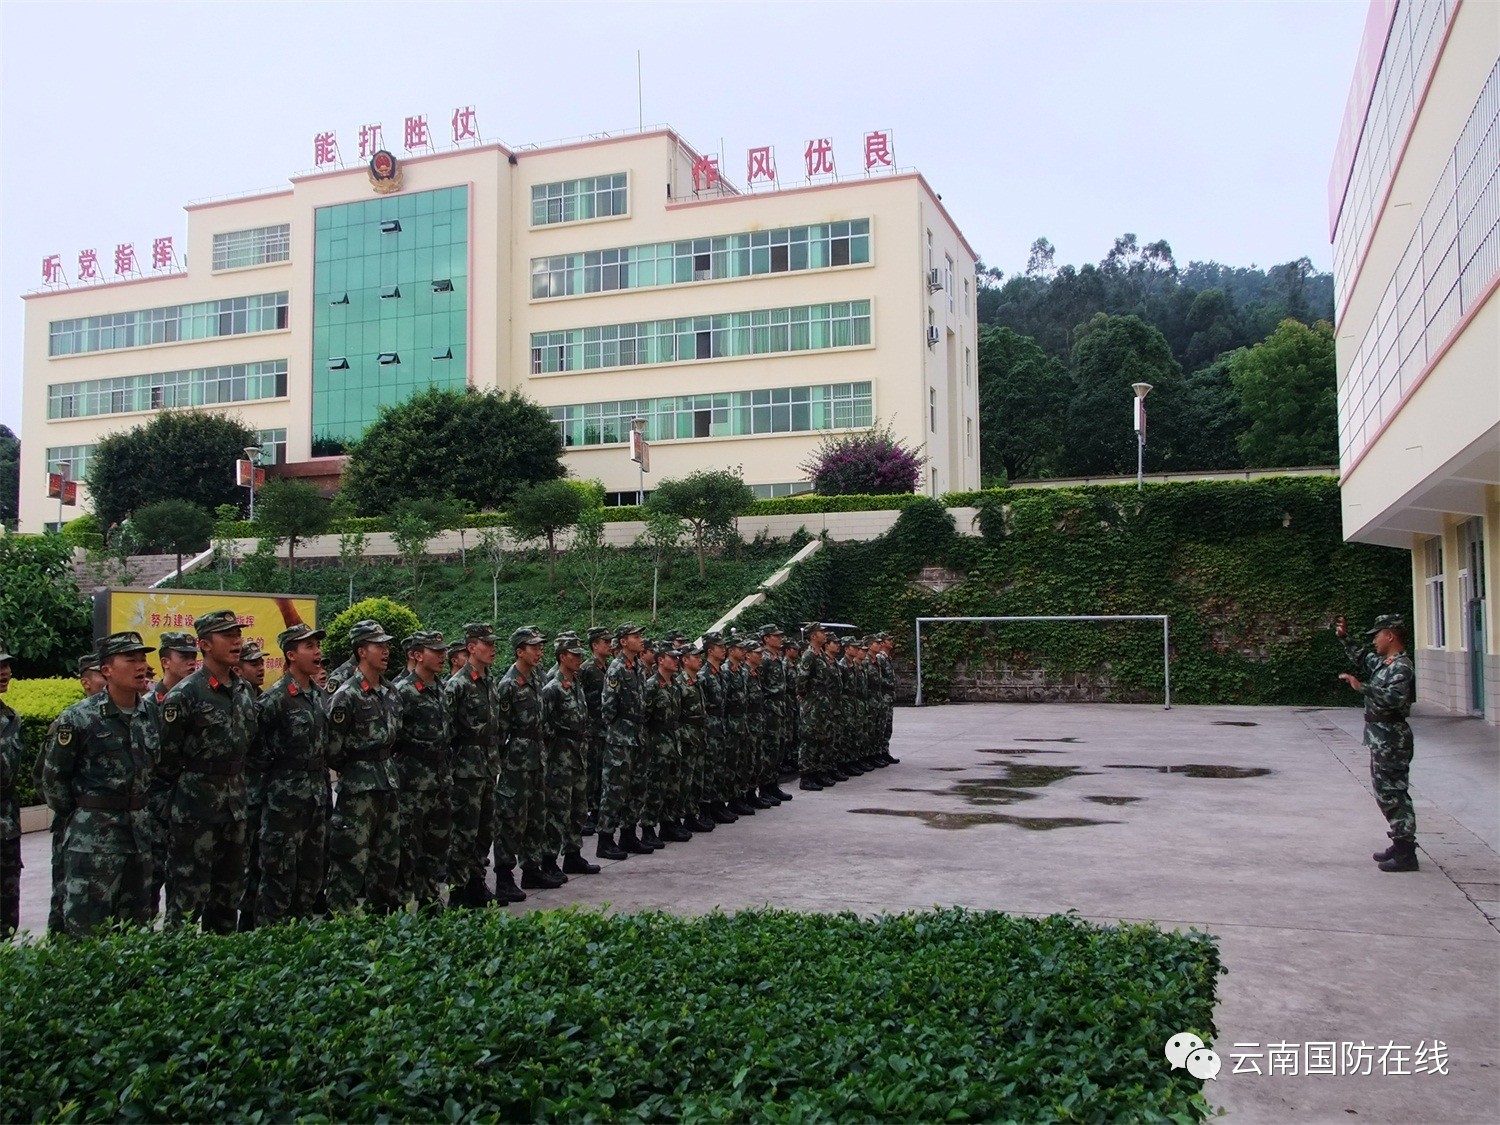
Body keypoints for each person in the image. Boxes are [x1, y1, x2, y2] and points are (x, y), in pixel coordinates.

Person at [40, 632, 158, 937]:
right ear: (106, 670)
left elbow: (157, 771)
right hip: (93, 842)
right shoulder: (78, 719)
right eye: (130, 660)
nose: (140, 666)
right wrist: (85, 818)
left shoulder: (151, 714)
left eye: (142, 659)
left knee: (136, 930)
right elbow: (54, 780)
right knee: (87, 930)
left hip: (139, 839)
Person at [156, 610, 258, 933]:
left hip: (235, 807)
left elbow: (249, 746)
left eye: (237, 635)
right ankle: (178, 970)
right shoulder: (184, 695)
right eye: (227, 636)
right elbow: (165, 761)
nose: (236, 641)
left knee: (228, 897)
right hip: (195, 812)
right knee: (187, 900)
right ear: (204, 644)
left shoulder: (243, 691)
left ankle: (222, 968)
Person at [250, 623, 330, 925]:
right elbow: (254, 751)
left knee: (310, 874)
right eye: (309, 647)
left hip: (315, 798)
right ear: (291, 655)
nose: (317, 652)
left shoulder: (319, 696)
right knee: (278, 877)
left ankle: (301, 940)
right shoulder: (274, 700)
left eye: (317, 646)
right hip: (283, 802)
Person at [325, 620, 403, 913]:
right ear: (361, 651)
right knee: (350, 859)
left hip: (388, 783)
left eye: (386, 645)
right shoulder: (346, 695)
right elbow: (333, 749)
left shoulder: (391, 692)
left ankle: (380, 919)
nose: (385, 651)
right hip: (358, 789)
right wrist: (357, 769)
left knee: (387, 858)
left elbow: (395, 738)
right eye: (378, 646)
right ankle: (340, 926)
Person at [1338, 613, 1419, 872]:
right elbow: (1364, 658)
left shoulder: (1401, 667)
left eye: (1377, 636)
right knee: (1385, 792)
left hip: (1392, 738)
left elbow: (1394, 698)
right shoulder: (1387, 663)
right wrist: (1345, 638)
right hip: (1381, 736)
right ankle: (1399, 841)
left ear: (1390, 635)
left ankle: (1406, 853)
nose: (1374, 641)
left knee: (1394, 793)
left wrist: (1362, 688)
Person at [445, 622, 505, 908]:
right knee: (463, 832)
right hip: (465, 769)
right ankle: (458, 889)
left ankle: (476, 881)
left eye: (494, 644)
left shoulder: (490, 681)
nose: (493, 649)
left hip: (488, 766)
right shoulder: (457, 685)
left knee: (484, 831)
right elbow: (446, 731)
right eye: (487, 644)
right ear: (471, 648)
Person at [393, 631, 452, 911]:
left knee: (435, 845)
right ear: (417, 655)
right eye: (435, 651)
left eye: (443, 651)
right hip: (412, 782)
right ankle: (404, 903)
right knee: (408, 847)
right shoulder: (401, 691)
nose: (442, 656)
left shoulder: (440, 687)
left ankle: (429, 899)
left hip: (439, 780)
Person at [495, 626, 557, 891]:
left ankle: (531, 869)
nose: (539, 651)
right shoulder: (508, 684)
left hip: (537, 756)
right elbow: (500, 730)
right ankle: (504, 876)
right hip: (516, 762)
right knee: (511, 819)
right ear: (519, 651)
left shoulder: (538, 678)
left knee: (536, 817)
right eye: (533, 647)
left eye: (541, 646)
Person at [541, 635, 599, 877]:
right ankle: (549, 859)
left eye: (579, 655)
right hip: (560, 759)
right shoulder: (552, 688)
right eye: (573, 655)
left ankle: (573, 855)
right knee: (558, 811)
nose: (578, 659)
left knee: (578, 809)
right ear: (562, 656)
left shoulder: (575, 684)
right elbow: (543, 726)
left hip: (578, 755)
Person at [597, 622, 647, 860]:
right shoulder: (616, 668)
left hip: (637, 735)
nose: (640, 640)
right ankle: (605, 839)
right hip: (621, 737)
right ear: (624, 641)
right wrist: (618, 731)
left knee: (636, 788)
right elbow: (608, 707)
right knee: (615, 789)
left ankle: (628, 833)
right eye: (635, 636)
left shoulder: (638, 666)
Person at [642, 643, 687, 843]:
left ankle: (668, 824)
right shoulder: (651, 685)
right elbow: (644, 717)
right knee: (655, 787)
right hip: (657, 742)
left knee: (672, 787)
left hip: (673, 739)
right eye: (672, 657)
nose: (676, 661)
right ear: (661, 660)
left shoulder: (675, 685)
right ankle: (648, 827)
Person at [676, 642, 715, 834]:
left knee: (697, 779)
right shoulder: (679, 683)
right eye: (695, 657)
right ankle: (677, 818)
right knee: (684, 780)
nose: (699, 660)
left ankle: (692, 816)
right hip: (687, 737)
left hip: (699, 736)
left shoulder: (698, 681)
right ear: (684, 660)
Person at [579, 627, 612, 835]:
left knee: (602, 772)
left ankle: (599, 810)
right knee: (591, 773)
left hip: (604, 729)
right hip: (591, 729)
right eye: (605, 641)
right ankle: (589, 812)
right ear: (594, 645)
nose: (609, 645)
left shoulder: (607, 667)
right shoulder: (586, 669)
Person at [797, 623, 838, 791]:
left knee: (822, 738)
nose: (824, 635)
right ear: (813, 636)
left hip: (822, 703)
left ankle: (818, 772)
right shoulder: (809, 655)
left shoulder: (819, 654)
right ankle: (806, 776)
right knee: (810, 739)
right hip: (813, 704)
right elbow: (802, 680)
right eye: (821, 632)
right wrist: (806, 696)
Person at [0, 637, 20, 938]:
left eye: (6, 665)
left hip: (6, 830)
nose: (5, 672)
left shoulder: (10, 717)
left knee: (5, 920)